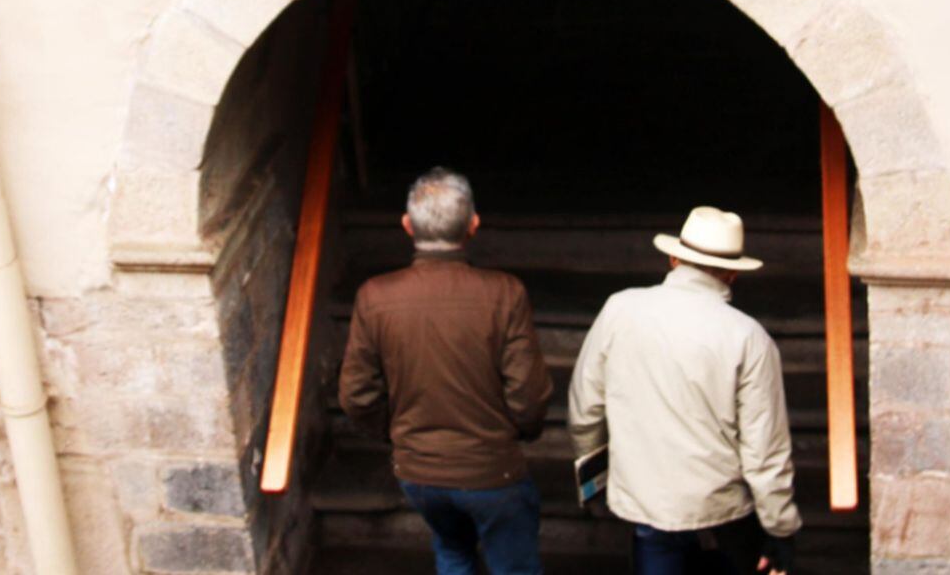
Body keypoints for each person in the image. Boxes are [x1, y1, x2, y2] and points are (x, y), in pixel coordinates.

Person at [339, 167, 553, 575]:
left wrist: (399, 433)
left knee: (453, 553)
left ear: (407, 226)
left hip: (418, 472)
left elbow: (356, 395)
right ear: (473, 225)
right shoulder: (505, 293)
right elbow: (528, 394)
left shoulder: (374, 296)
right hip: (492, 470)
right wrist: (521, 431)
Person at [568, 206, 801, 575]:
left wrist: (594, 483)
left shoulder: (619, 310)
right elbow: (765, 453)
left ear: (674, 258)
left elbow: (585, 409)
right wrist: (780, 528)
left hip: (647, 506)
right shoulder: (750, 338)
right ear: (732, 274)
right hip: (724, 513)